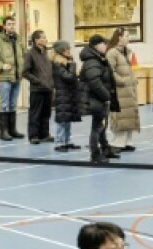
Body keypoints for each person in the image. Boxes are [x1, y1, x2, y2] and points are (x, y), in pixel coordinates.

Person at [0, 16, 23, 141]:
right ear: (4, 26)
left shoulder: (18, 40)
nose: (12, 26)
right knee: (4, 104)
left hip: (17, 77)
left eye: (13, 24)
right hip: (5, 77)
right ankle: (4, 132)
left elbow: (24, 54)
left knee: (13, 104)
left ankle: (13, 130)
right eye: (9, 24)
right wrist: (1, 66)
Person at [80, 35, 117, 163]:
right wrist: (106, 95)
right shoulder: (92, 61)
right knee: (97, 127)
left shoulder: (98, 58)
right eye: (103, 44)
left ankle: (105, 149)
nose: (106, 46)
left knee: (102, 124)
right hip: (95, 98)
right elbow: (94, 81)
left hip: (99, 98)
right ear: (96, 45)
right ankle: (95, 154)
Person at [105, 28, 139, 151]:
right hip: (120, 90)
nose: (128, 38)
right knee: (121, 115)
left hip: (129, 90)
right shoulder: (112, 53)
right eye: (126, 36)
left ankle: (127, 142)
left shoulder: (126, 52)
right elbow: (110, 71)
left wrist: (133, 80)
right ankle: (117, 142)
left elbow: (129, 70)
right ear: (119, 37)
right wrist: (121, 80)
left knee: (129, 115)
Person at [23, 29, 55, 144]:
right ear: (37, 40)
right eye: (43, 37)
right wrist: (38, 82)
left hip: (48, 88)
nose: (46, 40)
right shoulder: (30, 54)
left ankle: (44, 134)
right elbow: (25, 72)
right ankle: (33, 136)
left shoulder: (47, 53)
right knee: (35, 113)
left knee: (46, 113)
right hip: (37, 89)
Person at [51, 40, 81, 153]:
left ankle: (66, 141)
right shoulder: (58, 64)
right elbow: (69, 77)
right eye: (66, 49)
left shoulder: (67, 61)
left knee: (67, 118)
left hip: (69, 93)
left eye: (69, 49)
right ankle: (59, 142)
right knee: (62, 119)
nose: (69, 51)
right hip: (62, 93)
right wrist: (73, 66)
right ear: (60, 51)